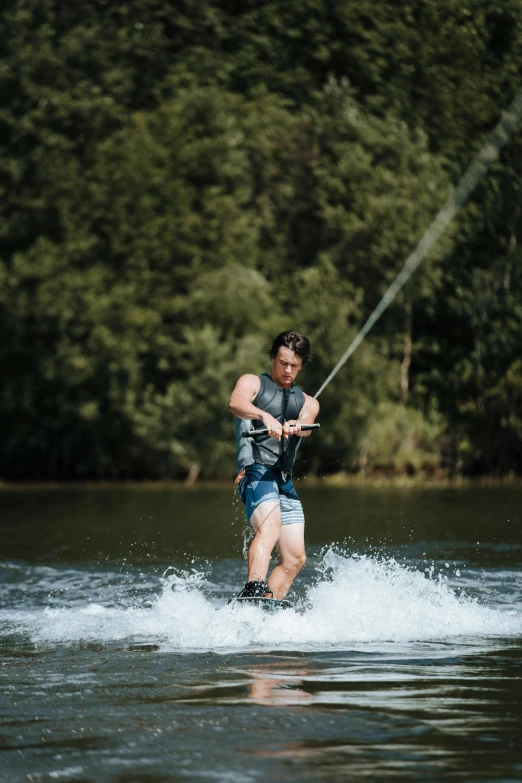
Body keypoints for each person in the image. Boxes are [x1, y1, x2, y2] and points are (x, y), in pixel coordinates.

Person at [229, 330, 320, 601]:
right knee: (270, 528)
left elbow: (308, 424)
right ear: (272, 358)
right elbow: (236, 403)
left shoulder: (309, 402)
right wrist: (264, 416)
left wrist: (297, 425)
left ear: (302, 364)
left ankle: (266, 605)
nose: (288, 370)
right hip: (255, 472)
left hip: (283, 481)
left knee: (295, 557)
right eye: (283, 362)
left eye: (294, 365)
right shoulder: (252, 383)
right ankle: (253, 588)